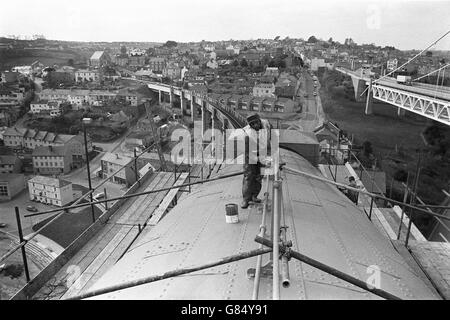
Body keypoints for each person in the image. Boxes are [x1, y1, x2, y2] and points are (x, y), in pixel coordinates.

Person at [241, 114, 271, 209]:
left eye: (257, 123)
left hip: (262, 151)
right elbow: (248, 153)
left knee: (259, 176)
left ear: (259, 121)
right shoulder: (247, 134)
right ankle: (246, 199)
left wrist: (268, 157)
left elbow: (269, 140)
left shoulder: (266, 124)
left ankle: (254, 196)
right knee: (249, 176)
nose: (256, 125)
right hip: (250, 154)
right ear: (250, 125)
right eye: (253, 124)